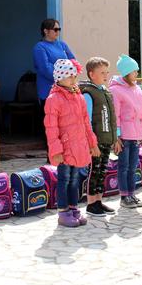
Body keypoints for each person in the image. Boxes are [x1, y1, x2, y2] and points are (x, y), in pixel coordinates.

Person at [44, 59, 99, 227]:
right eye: (69, 77)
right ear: (59, 78)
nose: (73, 80)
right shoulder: (54, 99)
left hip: (79, 146)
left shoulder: (78, 96)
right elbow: (51, 128)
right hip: (65, 148)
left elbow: (86, 122)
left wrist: (92, 143)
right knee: (64, 179)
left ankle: (74, 208)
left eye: (74, 76)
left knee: (76, 179)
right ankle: (63, 212)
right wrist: (56, 150)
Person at [80, 57, 119, 218]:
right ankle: (90, 204)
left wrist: (115, 138)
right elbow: (87, 120)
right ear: (91, 74)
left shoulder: (106, 92)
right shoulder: (89, 93)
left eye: (107, 72)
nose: (106, 75)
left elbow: (111, 118)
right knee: (93, 172)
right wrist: (91, 143)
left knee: (102, 171)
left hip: (106, 140)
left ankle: (98, 201)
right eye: (102, 72)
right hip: (95, 141)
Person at [109, 54, 142, 209]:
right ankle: (124, 196)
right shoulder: (115, 90)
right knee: (123, 166)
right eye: (134, 71)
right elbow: (115, 115)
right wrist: (117, 136)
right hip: (125, 135)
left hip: (136, 134)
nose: (137, 74)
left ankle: (132, 193)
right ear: (126, 73)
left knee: (133, 166)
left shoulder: (137, 88)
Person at [33, 19, 75, 105]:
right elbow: (45, 68)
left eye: (59, 29)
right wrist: (63, 79)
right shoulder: (39, 47)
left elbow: (73, 62)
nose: (58, 32)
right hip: (49, 91)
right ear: (46, 31)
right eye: (55, 29)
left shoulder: (62, 45)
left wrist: (68, 80)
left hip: (65, 90)